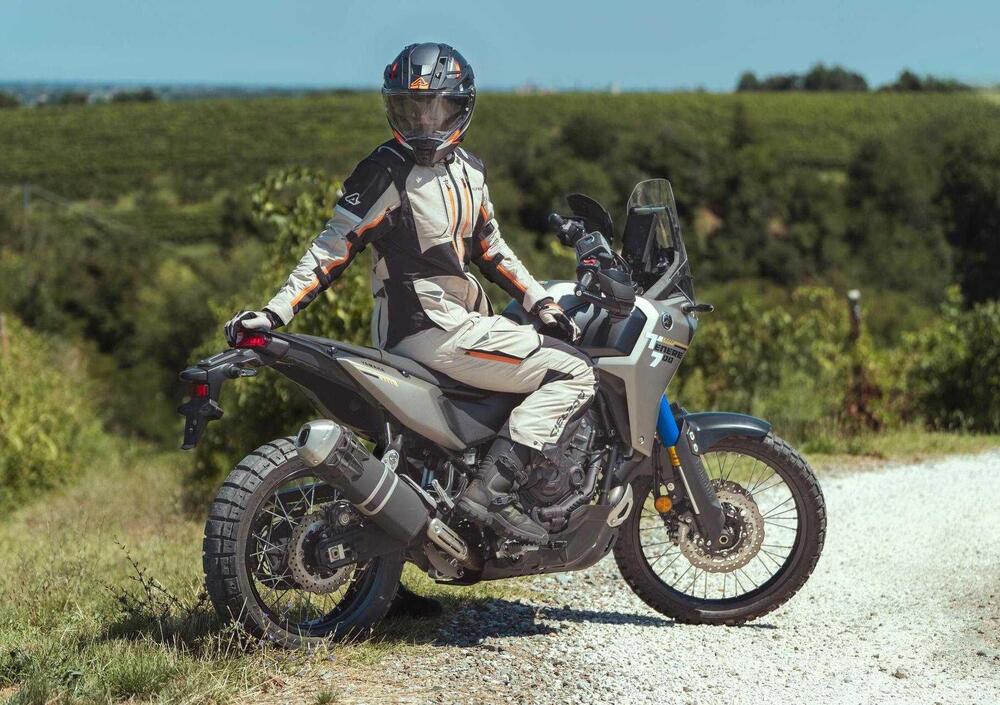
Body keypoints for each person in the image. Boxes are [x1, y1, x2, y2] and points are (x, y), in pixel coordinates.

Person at [225, 43, 596, 545]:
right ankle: (492, 494)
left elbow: (490, 247)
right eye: (410, 108)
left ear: (460, 107)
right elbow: (332, 247)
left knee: (444, 434)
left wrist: (539, 301)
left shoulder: (471, 171)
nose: (422, 120)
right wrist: (275, 312)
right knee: (574, 370)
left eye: (434, 108)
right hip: (435, 333)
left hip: (444, 328)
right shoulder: (386, 170)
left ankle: (425, 536)